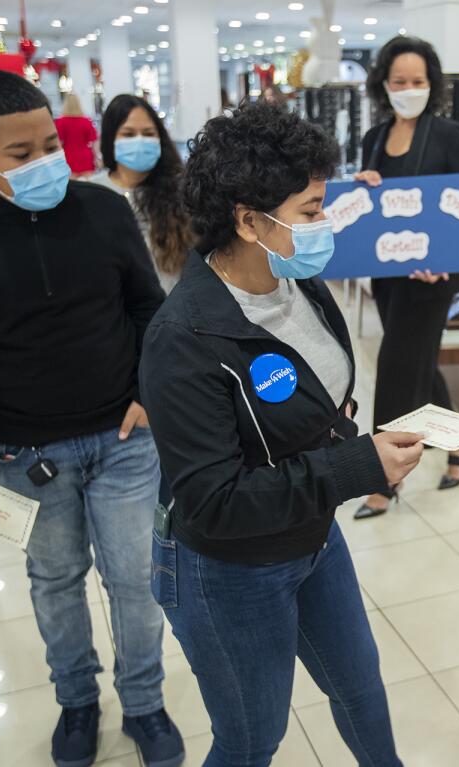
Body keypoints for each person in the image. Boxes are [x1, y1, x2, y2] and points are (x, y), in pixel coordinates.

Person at [140, 101, 425, 767]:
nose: (324, 224)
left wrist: (356, 444)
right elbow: (215, 499)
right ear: (247, 219)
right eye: (310, 210)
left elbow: (313, 400)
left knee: (360, 685)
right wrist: (358, 467)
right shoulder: (183, 338)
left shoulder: (299, 283)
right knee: (251, 736)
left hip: (312, 533)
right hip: (228, 567)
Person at [0, 70, 184, 767]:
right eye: (22, 154)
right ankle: (76, 700)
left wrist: (149, 392)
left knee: (134, 577)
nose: (46, 163)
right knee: (56, 580)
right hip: (24, 449)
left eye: (50, 144)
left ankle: (145, 702)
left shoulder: (102, 210)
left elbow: (148, 307)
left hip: (126, 439)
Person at [352, 35, 459, 520]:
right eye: (400, 81)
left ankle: (384, 478)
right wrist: (364, 185)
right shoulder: (375, 138)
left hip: (432, 278)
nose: (409, 88)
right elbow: (370, 209)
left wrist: (447, 258)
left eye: (418, 81)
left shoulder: (447, 135)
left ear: (432, 84)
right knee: (420, 362)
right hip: (390, 274)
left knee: (397, 368)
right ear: (385, 84)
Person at [90, 94, 195, 293]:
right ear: (111, 138)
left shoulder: (180, 191)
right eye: (128, 134)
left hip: (173, 308)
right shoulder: (95, 193)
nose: (139, 141)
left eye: (148, 133)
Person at [54, 93, 97, 177]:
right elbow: (94, 142)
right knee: (88, 186)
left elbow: (60, 143)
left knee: (72, 187)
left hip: (68, 157)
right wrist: (96, 158)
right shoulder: (87, 121)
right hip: (85, 157)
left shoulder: (60, 122)